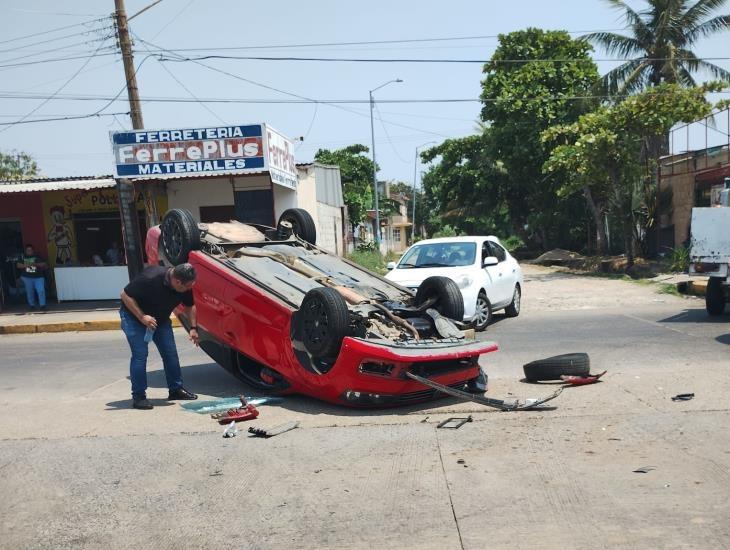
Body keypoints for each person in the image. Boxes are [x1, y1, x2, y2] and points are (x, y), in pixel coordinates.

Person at [119, 263, 200, 410]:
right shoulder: (150, 278)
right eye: (186, 287)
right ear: (177, 281)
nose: (188, 289)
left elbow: (190, 305)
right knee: (140, 355)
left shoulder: (185, 283)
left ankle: (176, 390)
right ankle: (139, 397)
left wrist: (193, 328)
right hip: (134, 318)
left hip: (160, 319)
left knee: (170, 354)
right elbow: (125, 295)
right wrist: (142, 317)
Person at [16, 244, 47, 311]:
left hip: (38, 277)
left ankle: (42, 305)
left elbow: (44, 264)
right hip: (27, 277)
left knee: (41, 290)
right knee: (30, 292)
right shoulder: (22, 256)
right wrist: (26, 265)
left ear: (33, 250)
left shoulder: (38, 256)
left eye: (30, 250)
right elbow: (18, 265)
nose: (29, 251)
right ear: (25, 251)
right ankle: (32, 305)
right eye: (28, 250)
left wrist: (35, 264)